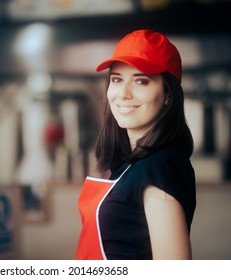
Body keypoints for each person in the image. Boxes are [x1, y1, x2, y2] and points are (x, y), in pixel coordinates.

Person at [76, 29, 196, 260]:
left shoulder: (158, 169)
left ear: (168, 95)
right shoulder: (132, 165)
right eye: (117, 80)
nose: (123, 94)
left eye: (141, 81)